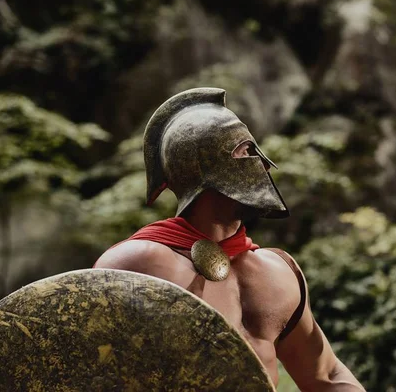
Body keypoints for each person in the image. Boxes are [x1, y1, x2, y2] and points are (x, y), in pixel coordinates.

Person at [94, 88, 365, 391]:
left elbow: (326, 377)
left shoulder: (279, 270)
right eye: (244, 150)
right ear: (203, 167)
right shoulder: (137, 264)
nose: (261, 163)